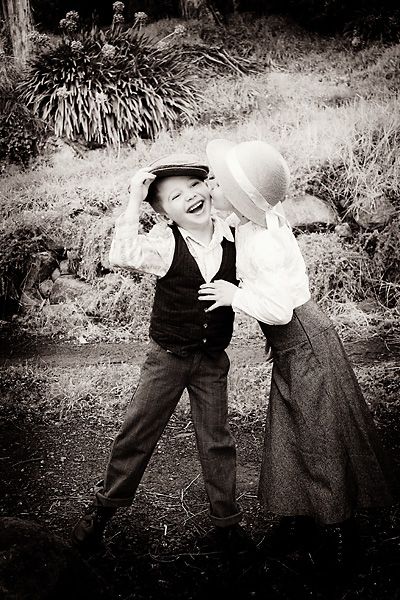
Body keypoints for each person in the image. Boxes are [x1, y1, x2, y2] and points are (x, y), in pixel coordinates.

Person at [199, 139, 394, 571]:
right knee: (288, 429)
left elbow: (278, 308)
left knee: (319, 435)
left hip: (305, 339)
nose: (211, 186)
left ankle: (343, 532)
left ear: (241, 198)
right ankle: (298, 516)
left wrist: (234, 295)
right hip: (292, 344)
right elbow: (231, 225)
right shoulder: (253, 222)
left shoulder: (265, 242)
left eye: (218, 182)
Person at [71, 153, 251, 555]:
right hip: (167, 358)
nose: (189, 196)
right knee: (138, 432)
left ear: (209, 187)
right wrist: (135, 197)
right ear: (163, 212)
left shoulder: (235, 234)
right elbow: (121, 254)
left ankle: (227, 524)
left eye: (194, 186)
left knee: (217, 439)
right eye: (174, 196)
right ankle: (104, 507)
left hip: (211, 360)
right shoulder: (164, 243)